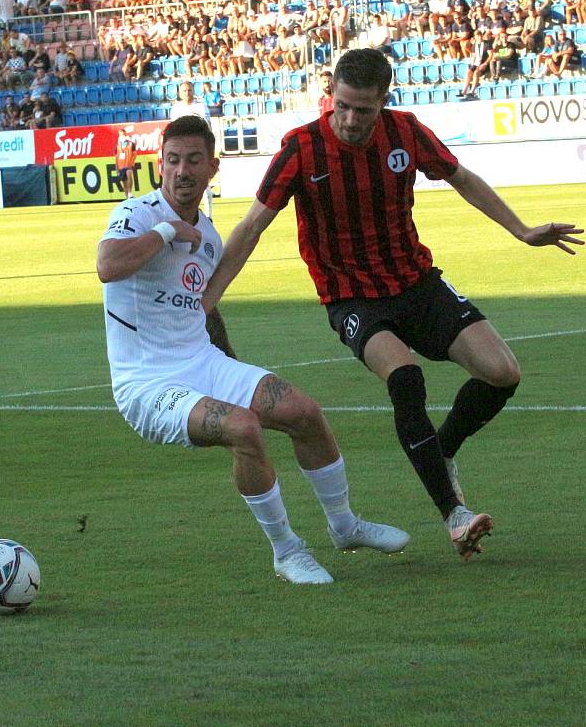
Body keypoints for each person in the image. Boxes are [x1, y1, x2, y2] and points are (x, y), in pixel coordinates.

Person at [202, 49, 585, 561]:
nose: (352, 119)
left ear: (384, 101)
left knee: (503, 373)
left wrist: (522, 230)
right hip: (352, 296)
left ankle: (440, 451)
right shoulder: (301, 149)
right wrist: (208, 296)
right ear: (330, 96)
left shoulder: (405, 132)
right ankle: (455, 514)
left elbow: (462, 178)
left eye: (364, 109)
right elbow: (251, 226)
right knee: (406, 378)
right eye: (343, 106)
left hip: (416, 282)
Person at [96, 115, 410, 584]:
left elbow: (199, 309)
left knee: (303, 411)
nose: (182, 171)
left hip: (203, 362)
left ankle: (345, 527)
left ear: (212, 168)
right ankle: (287, 551)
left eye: (193, 161)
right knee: (243, 428)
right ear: (160, 164)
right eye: (173, 160)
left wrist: (234, 368)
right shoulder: (137, 214)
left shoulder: (208, 237)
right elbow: (107, 266)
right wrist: (165, 233)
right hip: (146, 383)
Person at [170, 81, 213, 220]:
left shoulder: (201, 107)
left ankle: (209, 215)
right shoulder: (176, 109)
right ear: (179, 93)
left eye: (189, 90)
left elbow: (208, 129)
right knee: (180, 182)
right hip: (181, 153)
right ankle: (180, 213)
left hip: (198, 151)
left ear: (193, 91)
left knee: (204, 181)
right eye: (184, 90)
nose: (187, 93)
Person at [115, 127, 136, 199]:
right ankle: (127, 196)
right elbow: (116, 158)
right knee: (124, 182)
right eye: (120, 135)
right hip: (121, 166)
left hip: (128, 164)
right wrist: (117, 168)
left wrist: (132, 163)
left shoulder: (131, 144)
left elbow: (134, 154)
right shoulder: (117, 146)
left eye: (123, 135)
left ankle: (130, 192)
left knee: (129, 174)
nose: (122, 136)